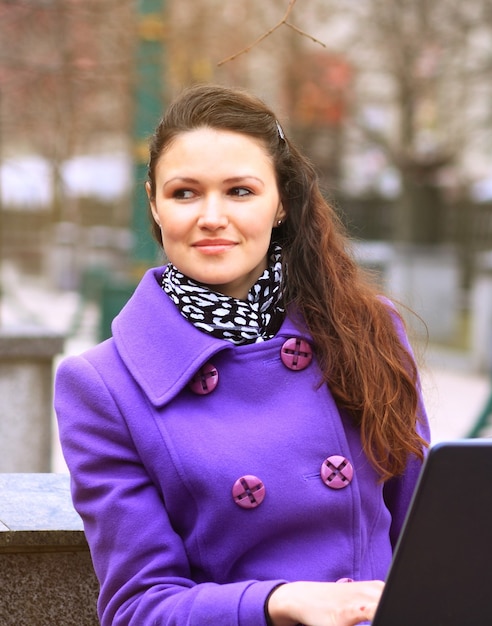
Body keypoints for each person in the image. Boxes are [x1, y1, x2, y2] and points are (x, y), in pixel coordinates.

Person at [55, 83, 430, 626]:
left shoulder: (368, 330)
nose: (211, 216)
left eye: (239, 191)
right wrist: (279, 601)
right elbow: (138, 608)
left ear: (280, 204)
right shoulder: (103, 386)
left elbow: (425, 537)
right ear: (154, 207)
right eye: (185, 193)